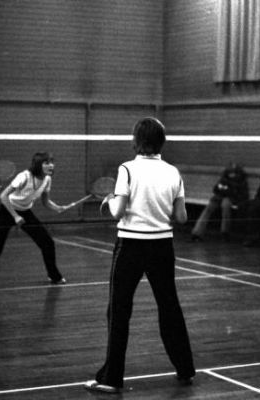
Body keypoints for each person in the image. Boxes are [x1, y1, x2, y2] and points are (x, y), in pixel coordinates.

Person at [85, 117, 195, 394]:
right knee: (169, 307)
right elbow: (181, 217)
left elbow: (117, 212)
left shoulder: (127, 169)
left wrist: (109, 200)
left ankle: (111, 379)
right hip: (162, 247)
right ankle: (185, 369)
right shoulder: (173, 171)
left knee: (118, 310)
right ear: (161, 141)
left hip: (131, 246)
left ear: (136, 140)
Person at [0, 152, 68, 285]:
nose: (51, 165)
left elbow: (46, 201)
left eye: (51, 162)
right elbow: (3, 196)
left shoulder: (47, 179)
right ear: (38, 164)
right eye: (47, 163)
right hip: (7, 210)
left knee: (47, 243)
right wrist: (15, 216)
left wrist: (58, 208)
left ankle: (54, 276)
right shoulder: (24, 176)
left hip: (25, 212)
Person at [191, 162, 248, 242]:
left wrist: (226, 190)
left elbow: (241, 194)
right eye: (230, 173)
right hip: (219, 197)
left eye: (233, 173)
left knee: (225, 206)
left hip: (231, 198)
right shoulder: (224, 178)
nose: (231, 175)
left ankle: (225, 232)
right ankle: (197, 233)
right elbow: (215, 189)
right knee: (208, 208)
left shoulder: (241, 180)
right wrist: (225, 190)